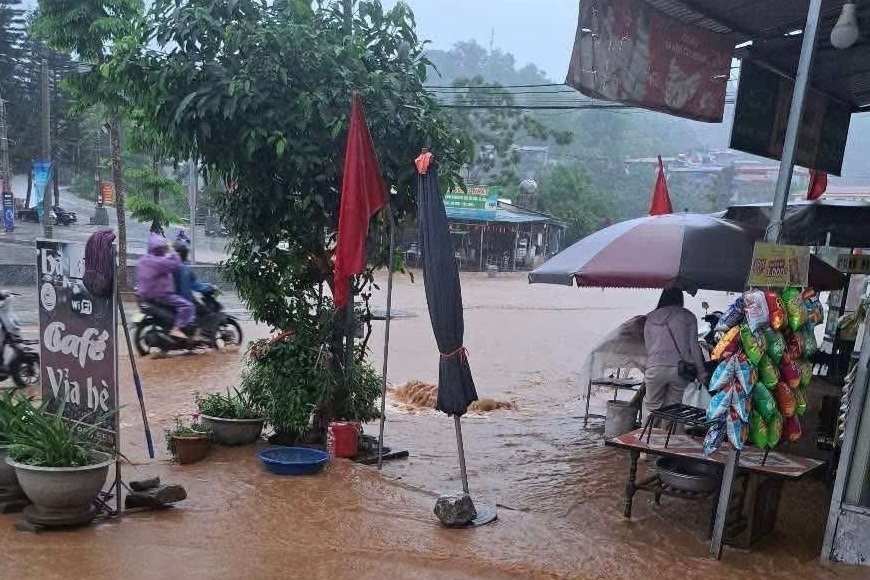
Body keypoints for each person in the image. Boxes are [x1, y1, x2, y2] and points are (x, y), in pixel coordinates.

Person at [642, 288, 708, 420]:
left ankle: (646, 437)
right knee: (672, 409)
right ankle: (666, 436)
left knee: (651, 407)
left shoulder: (649, 317)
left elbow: (648, 346)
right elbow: (694, 347)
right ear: (680, 298)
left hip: (654, 368)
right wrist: (701, 372)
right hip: (679, 370)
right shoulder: (688, 316)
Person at [137, 234, 192, 339]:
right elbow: (176, 263)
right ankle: (177, 328)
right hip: (161, 295)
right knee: (187, 306)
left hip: (144, 296)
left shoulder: (143, 260)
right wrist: (171, 249)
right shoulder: (158, 262)